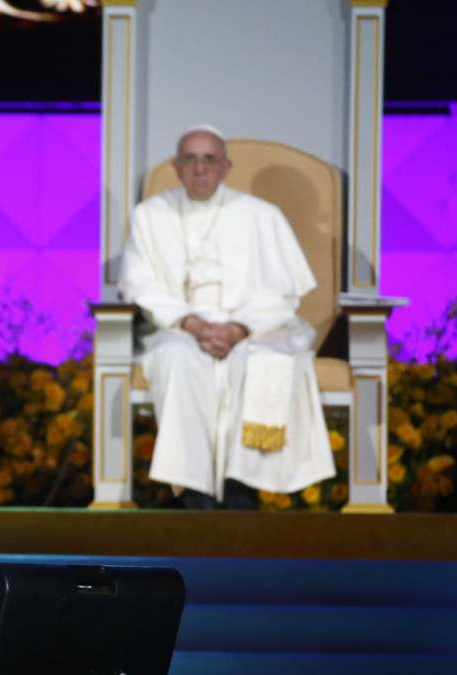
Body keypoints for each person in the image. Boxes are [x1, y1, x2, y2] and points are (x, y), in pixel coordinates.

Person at [119, 124, 335, 509]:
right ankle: (195, 493)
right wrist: (195, 326)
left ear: (225, 167)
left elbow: (282, 292)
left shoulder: (261, 215)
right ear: (176, 166)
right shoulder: (149, 215)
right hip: (179, 329)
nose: (199, 169)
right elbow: (140, 285)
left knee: (257, 363)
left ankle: (242, 488)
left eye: (209, 160)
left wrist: (237, 329)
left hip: (252, 329)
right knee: (178, 361)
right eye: (189, 159)